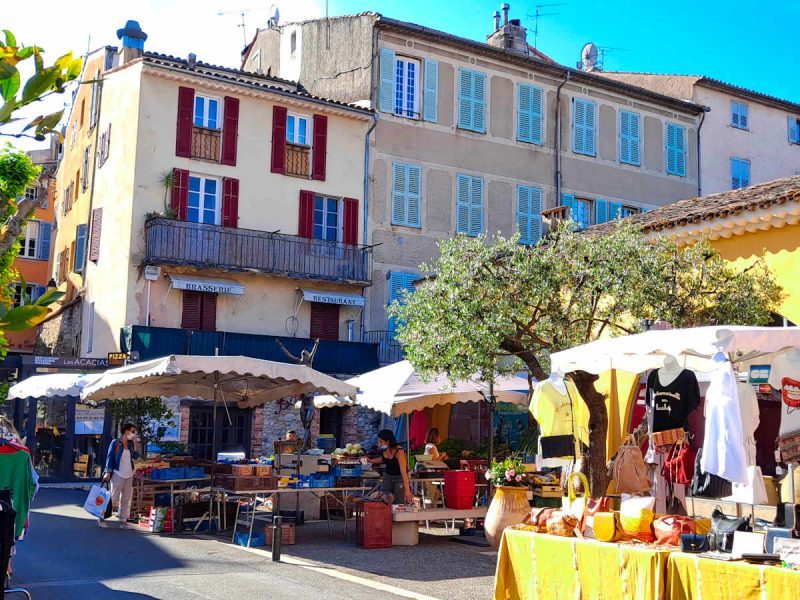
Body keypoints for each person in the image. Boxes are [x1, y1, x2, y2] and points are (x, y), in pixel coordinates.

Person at [102, 423, 139, 528]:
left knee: (126, 498)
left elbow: (135, 457)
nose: (134, 434)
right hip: (118, 473)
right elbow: (109, 457)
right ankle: (102, 517)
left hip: (129, 474)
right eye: (132, 431)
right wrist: (108, 471)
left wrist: (136, 445)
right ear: (126, 431)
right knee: (114, 497)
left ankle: (123, 520)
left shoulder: (131, 444)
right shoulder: (116, 442)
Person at [367, 430, 411, 504]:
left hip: (399, 478)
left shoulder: (399, 451)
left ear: (387, 441)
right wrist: (370, 461)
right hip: (387, 477)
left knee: (398, 502)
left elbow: (403, 471)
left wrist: (407, 491)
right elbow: (383, 459)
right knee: (385, 500)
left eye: (381, 442)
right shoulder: (385, 449)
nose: (379, 444)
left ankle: (397, 515)